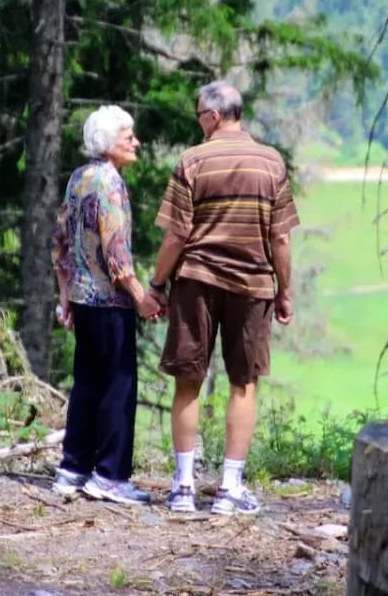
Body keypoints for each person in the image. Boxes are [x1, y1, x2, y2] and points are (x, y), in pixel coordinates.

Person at [147, 81, 299, 515]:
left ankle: (183, 487)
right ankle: (230, 489)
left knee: (188, 381)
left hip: (196, 281)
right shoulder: (271, 162)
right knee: (243, 384)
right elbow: (281, 238)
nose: (199, 123)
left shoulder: (192, 160)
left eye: (200, 116)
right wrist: (284, 291)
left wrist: (157, 285)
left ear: (213, 116)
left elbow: (177, 235)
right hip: (252, 286)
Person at [49, 105, 163, 505]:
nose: (136, 142)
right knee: (118, 386)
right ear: (108, 141)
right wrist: (142, 298)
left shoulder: (79, 178)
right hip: (110, 302)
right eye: (128, 136)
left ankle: (73, 468)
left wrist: (65, 299)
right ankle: (110, 476)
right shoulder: (111, 184)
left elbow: (59, 244)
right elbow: (117, 256)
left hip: (82, 300)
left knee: (86, 384)